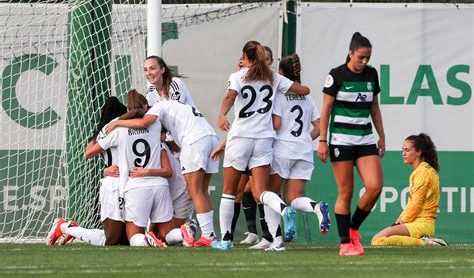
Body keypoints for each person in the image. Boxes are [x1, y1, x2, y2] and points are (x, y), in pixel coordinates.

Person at [212, 40, 310, 251]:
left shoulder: (238, 76)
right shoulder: (274, 78)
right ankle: (281, 218)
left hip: (240, 138)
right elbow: (304, 90)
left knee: (229, 190)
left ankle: (226, 240)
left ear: (245, 58)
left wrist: (222, 114)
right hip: (264, 139)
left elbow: (230, 96)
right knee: (261, 192)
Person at [105, 99, 219, 247]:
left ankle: (206, 236)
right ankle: (208, 234)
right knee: (202, 191)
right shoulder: (177, 109)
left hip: (187, 154)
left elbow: (142, 123)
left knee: (135, 237)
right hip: (211, 137)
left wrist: (116, 123)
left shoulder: (157, 110)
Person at [317, 32, 385, 256]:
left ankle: (353, 228)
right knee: (346, 192)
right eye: (361, 57)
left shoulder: (372, 74)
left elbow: (374, 107)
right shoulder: (336, 75)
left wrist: (381, 135)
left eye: (368, 58)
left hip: (365, 139)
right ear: (350, 53)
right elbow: (326, 109)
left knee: (375, 187)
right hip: (341, 140)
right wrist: (323, 140)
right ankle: (345, 243)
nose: (364, 62)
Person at [46, 97, 130, 247]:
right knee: (112, 240)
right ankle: (65, 227)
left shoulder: (101, 131)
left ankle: (71, 228)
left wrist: (105, 170)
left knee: (125, 240)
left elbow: (90, 149)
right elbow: (89, 153)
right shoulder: (117, 129)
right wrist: (106, 170)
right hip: (114, 185)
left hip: (124, 183)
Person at [268, 54, 331, 242]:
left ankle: (274, 240)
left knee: (269, 194)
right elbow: (320, 127)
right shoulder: (307, 98)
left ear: (280, 73)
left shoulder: (279, 95)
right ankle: (316, 207)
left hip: (282, 150)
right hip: (303, 151)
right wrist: (304, 138)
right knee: (294, 197)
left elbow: (277, 124)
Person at [371, 133, 447, 247]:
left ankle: (424, 242)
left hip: (421, 225)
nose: (403, 153)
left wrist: (398, 223)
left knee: (378, 240)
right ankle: (423, 240)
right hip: (418, 223)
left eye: (407, 150)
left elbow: (415, 205)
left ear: (418, 152)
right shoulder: (422, 171)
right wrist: (397, 223)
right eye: (402, 150)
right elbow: (411, 205)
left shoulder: (423, 172)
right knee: (380, 239)